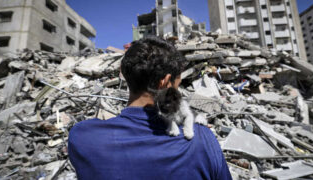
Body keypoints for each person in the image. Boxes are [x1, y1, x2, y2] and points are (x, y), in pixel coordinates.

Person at [68, 36, 232, 180]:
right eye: (177, 86)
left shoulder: (83, 137)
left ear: (123, 73)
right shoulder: (202, 141)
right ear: (165, 82)